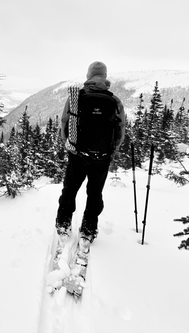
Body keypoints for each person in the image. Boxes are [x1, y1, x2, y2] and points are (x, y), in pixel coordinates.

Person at [55, 61, 126, 242]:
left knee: (70, 188)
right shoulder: (114, 100)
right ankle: (89, 228)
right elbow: (120, 131)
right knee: (94, 193)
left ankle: (63, 222)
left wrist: (69, 145)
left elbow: (65, 123)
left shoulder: (77, 97)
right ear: (105, 76)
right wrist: (111, 152)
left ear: (88, 76)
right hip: (101, 157)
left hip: (77, 154)